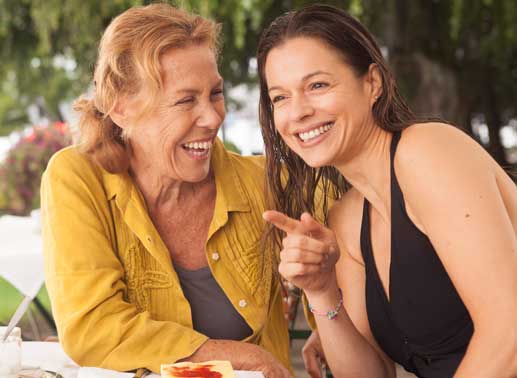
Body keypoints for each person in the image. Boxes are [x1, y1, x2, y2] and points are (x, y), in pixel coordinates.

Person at [257, 4, 517, 378]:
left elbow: (507, 334)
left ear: (372, 83)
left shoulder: (428, 152)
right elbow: (371, 374)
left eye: (317, 85)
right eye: (280, 97)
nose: (297, 112)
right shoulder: (346, 217)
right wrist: (321, 291)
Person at [40, 4, 292, 376]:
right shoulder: (78, 178)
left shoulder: (264, 182)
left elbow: (356, 227)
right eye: (186, 100)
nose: (212, 118)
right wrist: (238, 356)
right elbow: (92, 327)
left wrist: (327, 298)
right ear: (121, 109)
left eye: (215, 94)